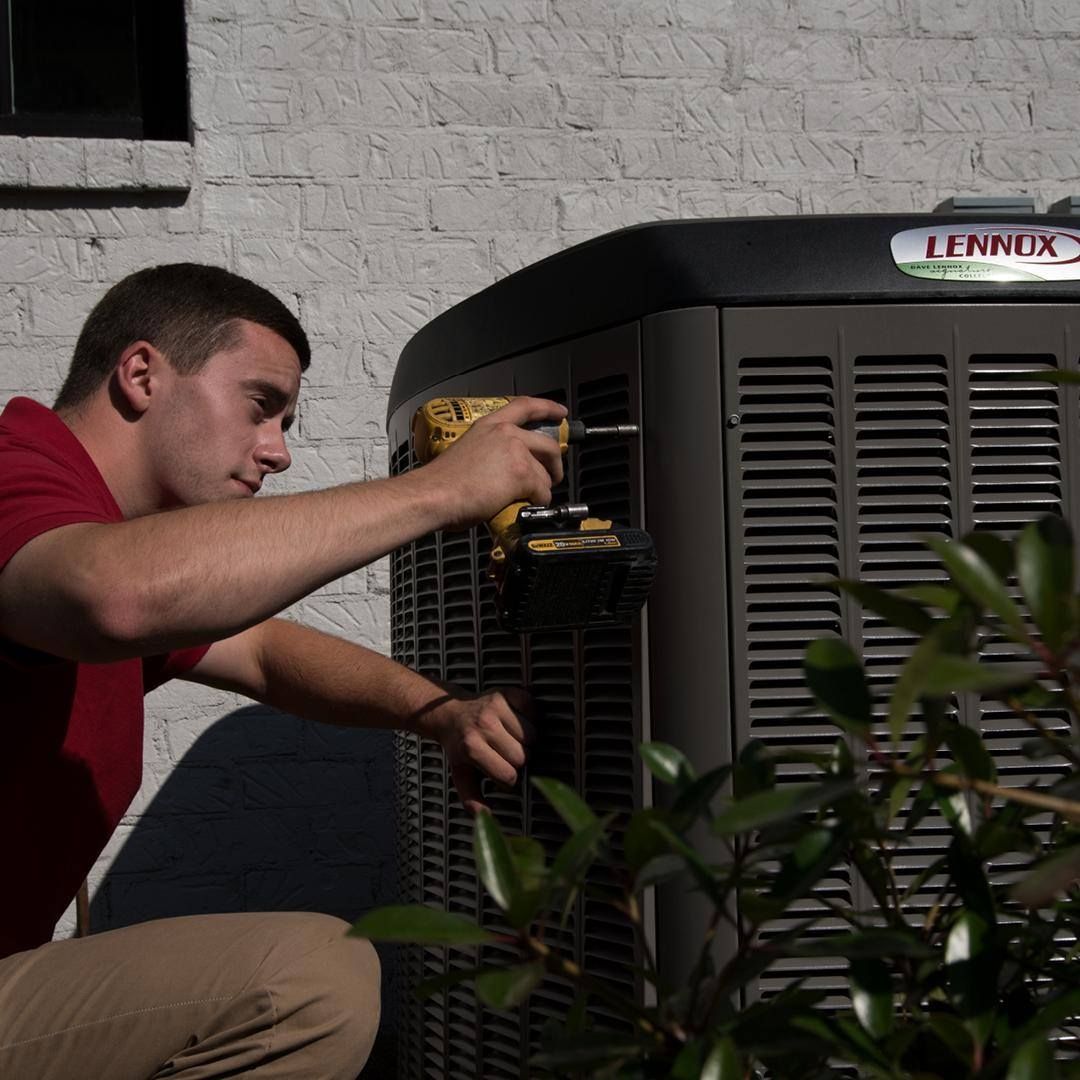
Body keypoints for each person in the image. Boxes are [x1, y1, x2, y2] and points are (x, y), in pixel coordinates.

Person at [0, 263, 566, 1078]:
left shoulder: (108, 533)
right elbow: (111, 595)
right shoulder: (20, 481)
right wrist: (439, 490)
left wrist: (439, 712)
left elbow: (265, 651)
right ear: (141, 374)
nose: (279, 453)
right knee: (308, 978)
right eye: (261, 407)